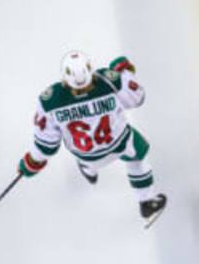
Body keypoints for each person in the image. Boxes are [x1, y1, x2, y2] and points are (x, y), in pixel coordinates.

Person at [17, 50, 166, 226]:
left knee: (89, 157)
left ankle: (88, 168)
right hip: (119, 143)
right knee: (138, 154)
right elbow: (138, 98)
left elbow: (46, 146)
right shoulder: (109, 80)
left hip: (85, 154)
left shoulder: (50, 100)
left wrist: (31, 163)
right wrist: (125, 71)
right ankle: (147, 202)